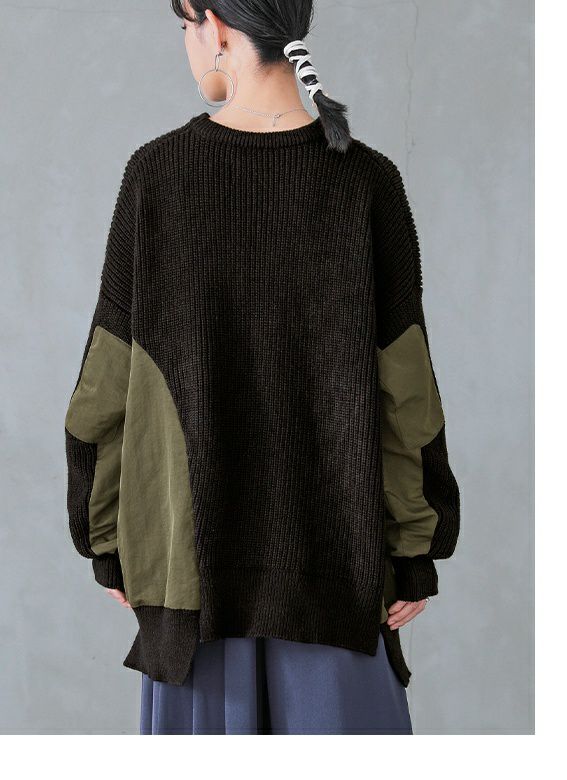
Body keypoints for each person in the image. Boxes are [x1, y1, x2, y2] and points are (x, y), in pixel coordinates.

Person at [63, 0, 460, 735]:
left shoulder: (156, 177)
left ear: (213, 26)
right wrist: (413, 551)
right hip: (339, 584)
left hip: (192, 591)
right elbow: (408, 394)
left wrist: (107, 540)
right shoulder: (368, 181)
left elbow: (103, 388)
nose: (187, 46)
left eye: (184, 28)